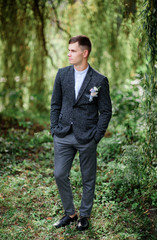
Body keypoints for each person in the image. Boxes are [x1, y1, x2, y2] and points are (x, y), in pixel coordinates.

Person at [50, 35, 112, 231]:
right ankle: (70, 213)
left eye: (73, 51)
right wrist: (54, 128)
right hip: (63, 134)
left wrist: (97, 136)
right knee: (60, 174)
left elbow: (106, 110)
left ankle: (84, 216)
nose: (69, 54)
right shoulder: (62, 74)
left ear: (84, 53)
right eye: (68, 50)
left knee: (88, 177)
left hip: (87, 136)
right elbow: (55, 104)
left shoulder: (99, 80)